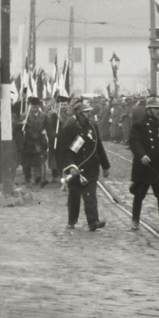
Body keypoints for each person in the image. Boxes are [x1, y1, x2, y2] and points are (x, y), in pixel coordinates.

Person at [55, 99, 109, 230]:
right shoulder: (69, 127)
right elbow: (65, 151)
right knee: (74, 196)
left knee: (90, 194)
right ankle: (71, 221)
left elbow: (99, 146)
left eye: (89, 112)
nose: (89, 115)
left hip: (91, 167)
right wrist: (71, 166)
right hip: (76, 168)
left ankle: (93, 222)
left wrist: (105, 165)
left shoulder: (92, 126)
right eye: (86, 113)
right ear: (78, 114)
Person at [127, 96, 159, 231]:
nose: (158, 112)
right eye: (155, 109)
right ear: (148, 110)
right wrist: (142, 155)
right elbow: (134, 142)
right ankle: (135, 220)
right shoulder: (139, 125)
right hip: (145, 166)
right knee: (140, 194)